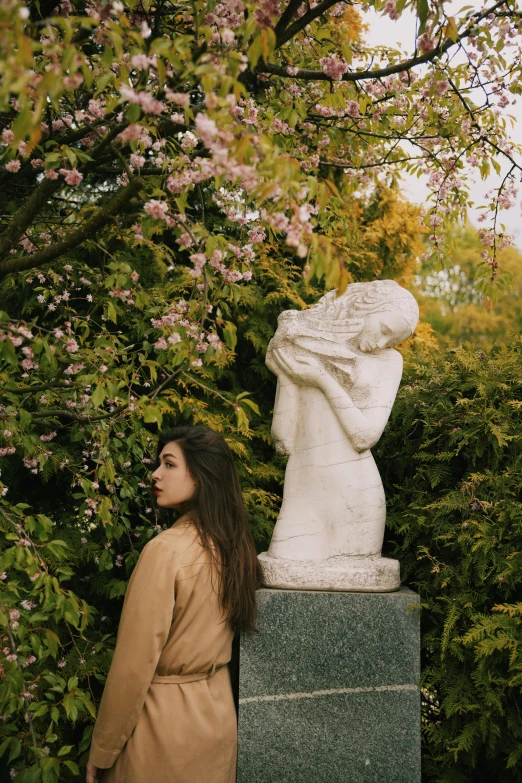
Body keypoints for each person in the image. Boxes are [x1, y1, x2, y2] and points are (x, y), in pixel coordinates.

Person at [86, 425, 263, 783]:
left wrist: (103, 750)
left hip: (161, 729)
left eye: (169, 464)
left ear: (202, 474)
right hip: (216, 722)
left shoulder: (165, 551)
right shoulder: (235, 548)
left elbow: (133, 666)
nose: (155, 474)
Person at [264, 280, 419, 562]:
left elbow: (365, 436)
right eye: (384, 330)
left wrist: (323, 379)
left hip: (355, 497)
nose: (382, 343)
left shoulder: (389, 362)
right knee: (282, 564)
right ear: (367, 308)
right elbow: (282, 441)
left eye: (393, 340)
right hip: (302, 493)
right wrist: (287, 374)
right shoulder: (307, 347)